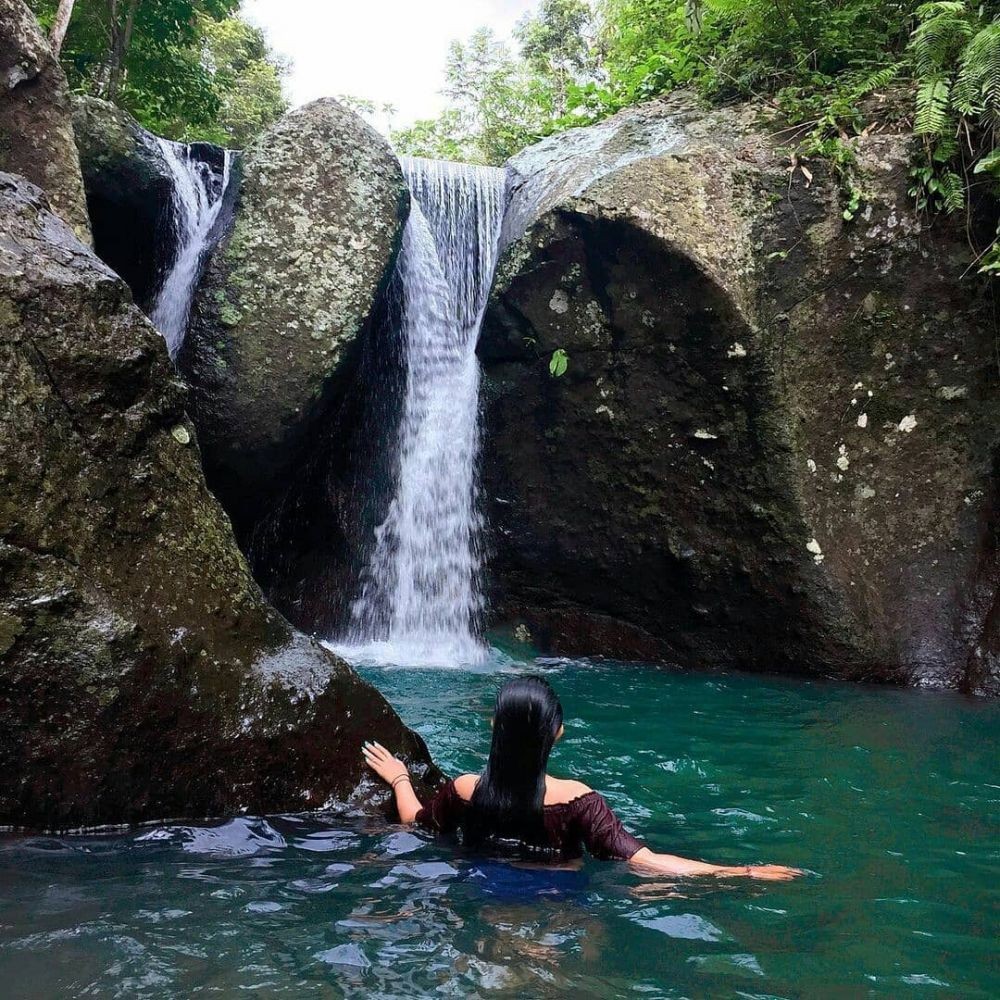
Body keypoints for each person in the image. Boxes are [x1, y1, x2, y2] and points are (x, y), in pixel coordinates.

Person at [363, 675, 803, 881]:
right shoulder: (578, 801)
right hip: (556, 906)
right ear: (557, 734)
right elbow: (644, 861)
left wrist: (400, 777)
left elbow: (416, 822)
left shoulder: (465, 789)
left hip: (480, 893)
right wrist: (740, 871)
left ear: (494, 728)